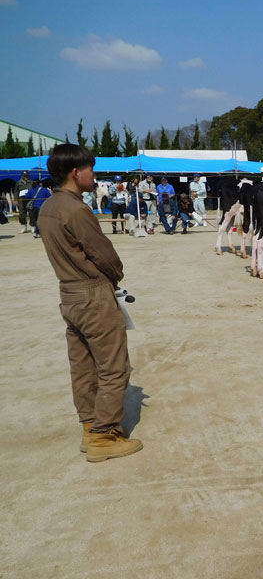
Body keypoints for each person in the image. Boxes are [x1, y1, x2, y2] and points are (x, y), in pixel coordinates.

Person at [38, 144, 142, 462]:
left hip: (69, 294)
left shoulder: (48, 207)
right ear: (76, 173)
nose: (93, 176)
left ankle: (89, 425)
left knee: (82, 366)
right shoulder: (76, 209)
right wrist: (117, 274)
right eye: (91, 170)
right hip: (93, 294)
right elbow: (104, 254)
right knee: (113, 367)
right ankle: (103, 436)